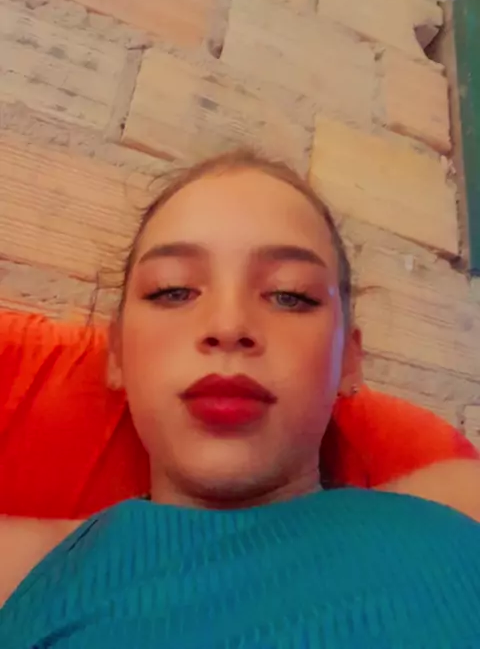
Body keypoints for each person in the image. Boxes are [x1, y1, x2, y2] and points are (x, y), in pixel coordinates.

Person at [1, 147, 480, 648]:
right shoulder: (27, 577)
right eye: (173, 291)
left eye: (290, 295)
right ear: (117, 352)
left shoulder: (456, 511)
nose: (228, 326)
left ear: (348, 360)